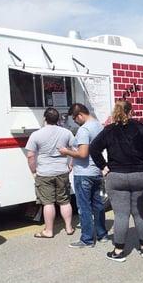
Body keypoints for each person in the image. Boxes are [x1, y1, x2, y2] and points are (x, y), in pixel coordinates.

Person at [89, 100, 143, 262]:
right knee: (140, 213)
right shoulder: (140, 127)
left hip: (116, 175)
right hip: (139, 174)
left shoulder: (109, 130)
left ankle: (118, 251)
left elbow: (93, 148)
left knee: (121, 215)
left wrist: (103, 166)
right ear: (131, 111)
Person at [60, 103, 108, 247]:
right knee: (98, 205)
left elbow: (82, 153)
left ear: (80, 115)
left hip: (83, 173)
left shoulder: (84, 129)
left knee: (84, 207)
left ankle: (86, 239)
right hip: (96, 171)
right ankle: (102, 234)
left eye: (75, 119)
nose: (75, 122)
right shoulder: (98, 125)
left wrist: (66, 152)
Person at [25, 107, 75, 238]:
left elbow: (30, 156)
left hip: (44, 173)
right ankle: (69, 228)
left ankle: (49, 230)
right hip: (62, 171)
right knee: (65, 201)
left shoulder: (36, 134)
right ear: (58, 119)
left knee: (48, 203)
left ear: (44, 119)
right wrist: (71, 164)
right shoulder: (66, 132)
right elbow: (75, 149)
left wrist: (33, 171)